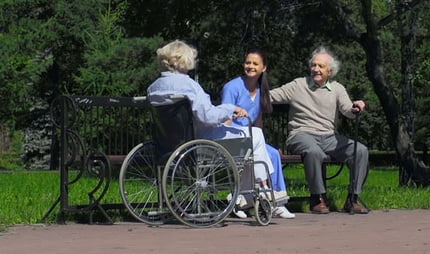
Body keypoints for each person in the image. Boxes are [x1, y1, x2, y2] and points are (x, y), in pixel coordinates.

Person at [146, 39, 276, 217]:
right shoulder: (189, 85)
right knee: (256, 134)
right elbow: (208, 117)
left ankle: (249, 193)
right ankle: (262, 188)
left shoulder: (153, 88)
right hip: (203, 140)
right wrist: (231, 109)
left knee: (250, 146)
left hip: (170, 143)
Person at [269, 46, 370, 214]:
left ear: (329, 71)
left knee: (360, 151)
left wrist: (356, 107)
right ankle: (317, 198)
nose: (315, 69)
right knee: (314, 152)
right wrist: (249, 93)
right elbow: (270, 96)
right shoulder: (298, 85)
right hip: (301, 134)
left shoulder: (337, 88)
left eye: (320, 66)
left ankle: (352, 199)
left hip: (329, 137)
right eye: (313, 65)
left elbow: (347, 110)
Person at [221, 49, 295, 219]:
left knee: (273, 154)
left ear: (264, 68)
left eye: (255, 63)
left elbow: (258, 122)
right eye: (248, 62)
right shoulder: (232, 87)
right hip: (234, 137)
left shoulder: (262, 90)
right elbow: (225, 117)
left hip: (252, 136)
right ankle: (252, 196)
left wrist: (264, 144)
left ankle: (277, 202)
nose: (250, 66)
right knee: (255, 155)